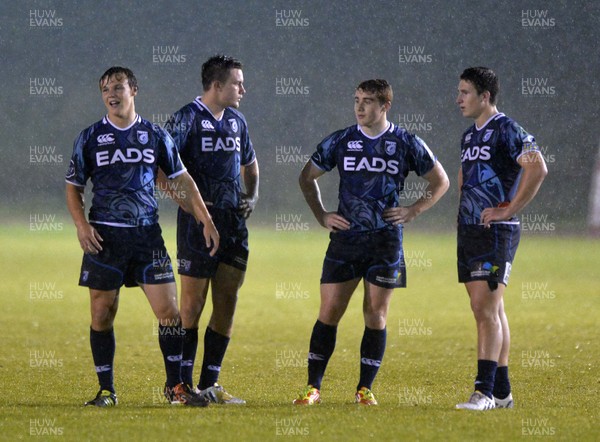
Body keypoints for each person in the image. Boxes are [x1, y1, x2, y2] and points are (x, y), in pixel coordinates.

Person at [65, 66, 219, 407]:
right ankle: (106, 390)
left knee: (170, 313)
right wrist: (81, 225)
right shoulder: (90, 137)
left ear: (133, 90)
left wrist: (205, 219)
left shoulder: (154, 135)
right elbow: (73, 187)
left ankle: (175, 387)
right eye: (105, 89)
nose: (111, 94)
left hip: (148, 238)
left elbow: (182, 180)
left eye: (118, 86)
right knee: (102, 313)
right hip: (104, 239)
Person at [294, 79, 449, 405]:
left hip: (385, 241)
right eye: (357, 100)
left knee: (375, 314)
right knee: (329, 311)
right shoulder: (342, 140)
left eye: (367, 101)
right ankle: (313, 388)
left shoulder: (406, 142)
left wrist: (413, 210)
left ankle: (364, 389)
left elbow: (441, 181)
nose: (360, 107)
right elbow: (306, 177)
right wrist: (322, 215)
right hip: (346, 240)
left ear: (385, 106)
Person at [165, 55, 258, 404]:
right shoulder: (186, 119)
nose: (243, 89)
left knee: (227, 302)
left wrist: (253, 195)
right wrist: (186, 204)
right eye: (237, 83)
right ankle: (180, 387)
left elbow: (251, 162)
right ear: (217, 86)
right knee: (191, 305)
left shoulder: (237, 121)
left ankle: (209, 385)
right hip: (196, 223)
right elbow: (163, 166)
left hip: (233, 223)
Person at [454, 67, 547, 411]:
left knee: (485, 309)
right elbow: (465, 177)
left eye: (465, 92)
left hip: (496, 231)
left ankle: (484, 392)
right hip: (470, 229)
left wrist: (508, 210)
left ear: (485, 97)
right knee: (489, 309)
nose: (458, 99)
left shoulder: (507, 129)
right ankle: (503, 393)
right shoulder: (468, 136)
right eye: (459, 91)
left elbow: (537, 168)